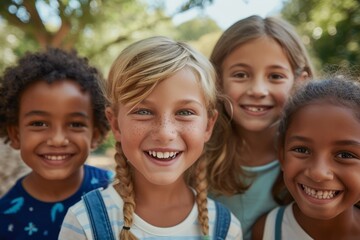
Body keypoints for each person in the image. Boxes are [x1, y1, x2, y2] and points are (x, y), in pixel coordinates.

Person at [59, 36, 243, 239]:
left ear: (208, 125)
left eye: (185, 112)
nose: (165, 133)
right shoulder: (84, 221)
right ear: (115, 123)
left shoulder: (226, 228)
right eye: (144, 112)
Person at [206, 15, 314, 239]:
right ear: (218, 81)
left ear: (300, 82)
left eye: (275, 76)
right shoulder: (197, 156)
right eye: (241, 75)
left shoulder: (316, 162)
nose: (257, 90)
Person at [0, 48, 113, 239]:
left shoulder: (118, 193)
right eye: (39, 123)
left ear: (95, 135)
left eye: (75, 124)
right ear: (16, 134)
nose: (58, 139)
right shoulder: (6, 218)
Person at [252, 76, 360, 239]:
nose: (318, 173)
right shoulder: (267, 231)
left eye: (345, 155)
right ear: (282, 155)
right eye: (302, 150)